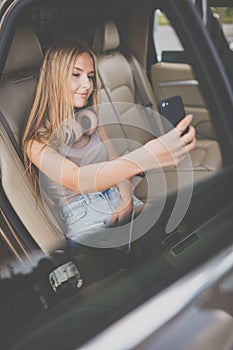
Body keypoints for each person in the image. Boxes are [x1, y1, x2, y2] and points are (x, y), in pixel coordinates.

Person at [22, 41, 196, 248]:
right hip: (85, 216)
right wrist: (147, 156)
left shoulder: (92, 121)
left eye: (90, 76)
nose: (87, 85)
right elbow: (77, 179)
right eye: (76, 75)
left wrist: (126, 199)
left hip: (118, 196)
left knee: (177, 226)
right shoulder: (36, 142)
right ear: (54, 79)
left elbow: (115, 161)